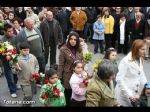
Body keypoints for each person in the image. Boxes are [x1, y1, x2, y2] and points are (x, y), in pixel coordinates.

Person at [115, 39, 147, 107]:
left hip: (135, 93)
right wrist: (129, 95)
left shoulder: (140, 58)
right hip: (124, 94)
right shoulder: (125, 61)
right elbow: (119, 79)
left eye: (145, 49)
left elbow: (141, 73)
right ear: (136, 49)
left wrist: (146, 85)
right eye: (142, 49)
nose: (145, 51)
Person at [57, 31, 83, 106]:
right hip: (68, 75)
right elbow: (61, 64)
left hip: (78, 75)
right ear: (68, 39)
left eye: (75, 40)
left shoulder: (80, 49)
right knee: (68, 94)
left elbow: (81, 61)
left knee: (77, 94)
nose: (73, 41)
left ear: (77, 41)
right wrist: (59, 77)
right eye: (71, 39)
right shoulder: (63, 49)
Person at [15, 42, 39, 106]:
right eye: (24, 50)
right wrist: (16, 68)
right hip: (24, 81)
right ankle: (25, 105)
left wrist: (36, 73)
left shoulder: (32, 57)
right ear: (20, 50)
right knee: (28, 95)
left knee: (31, 95)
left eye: (28, 50)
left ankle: (28, 104)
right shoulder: (17, 59)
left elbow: (37, 65)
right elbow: (13, 71)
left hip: (33, 80)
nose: (26, 52)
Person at [0, 23, 18, 98]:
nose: (11, 32)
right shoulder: (1, 40)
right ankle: (12, 90)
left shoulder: (15, 37)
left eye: (12, 31)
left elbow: (18, 47)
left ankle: (15, 84)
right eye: (9, 31)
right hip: (6, 60)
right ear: (4, 31)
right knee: (9, 75)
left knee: (15, 74)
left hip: (15, 59)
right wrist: (5, 53)